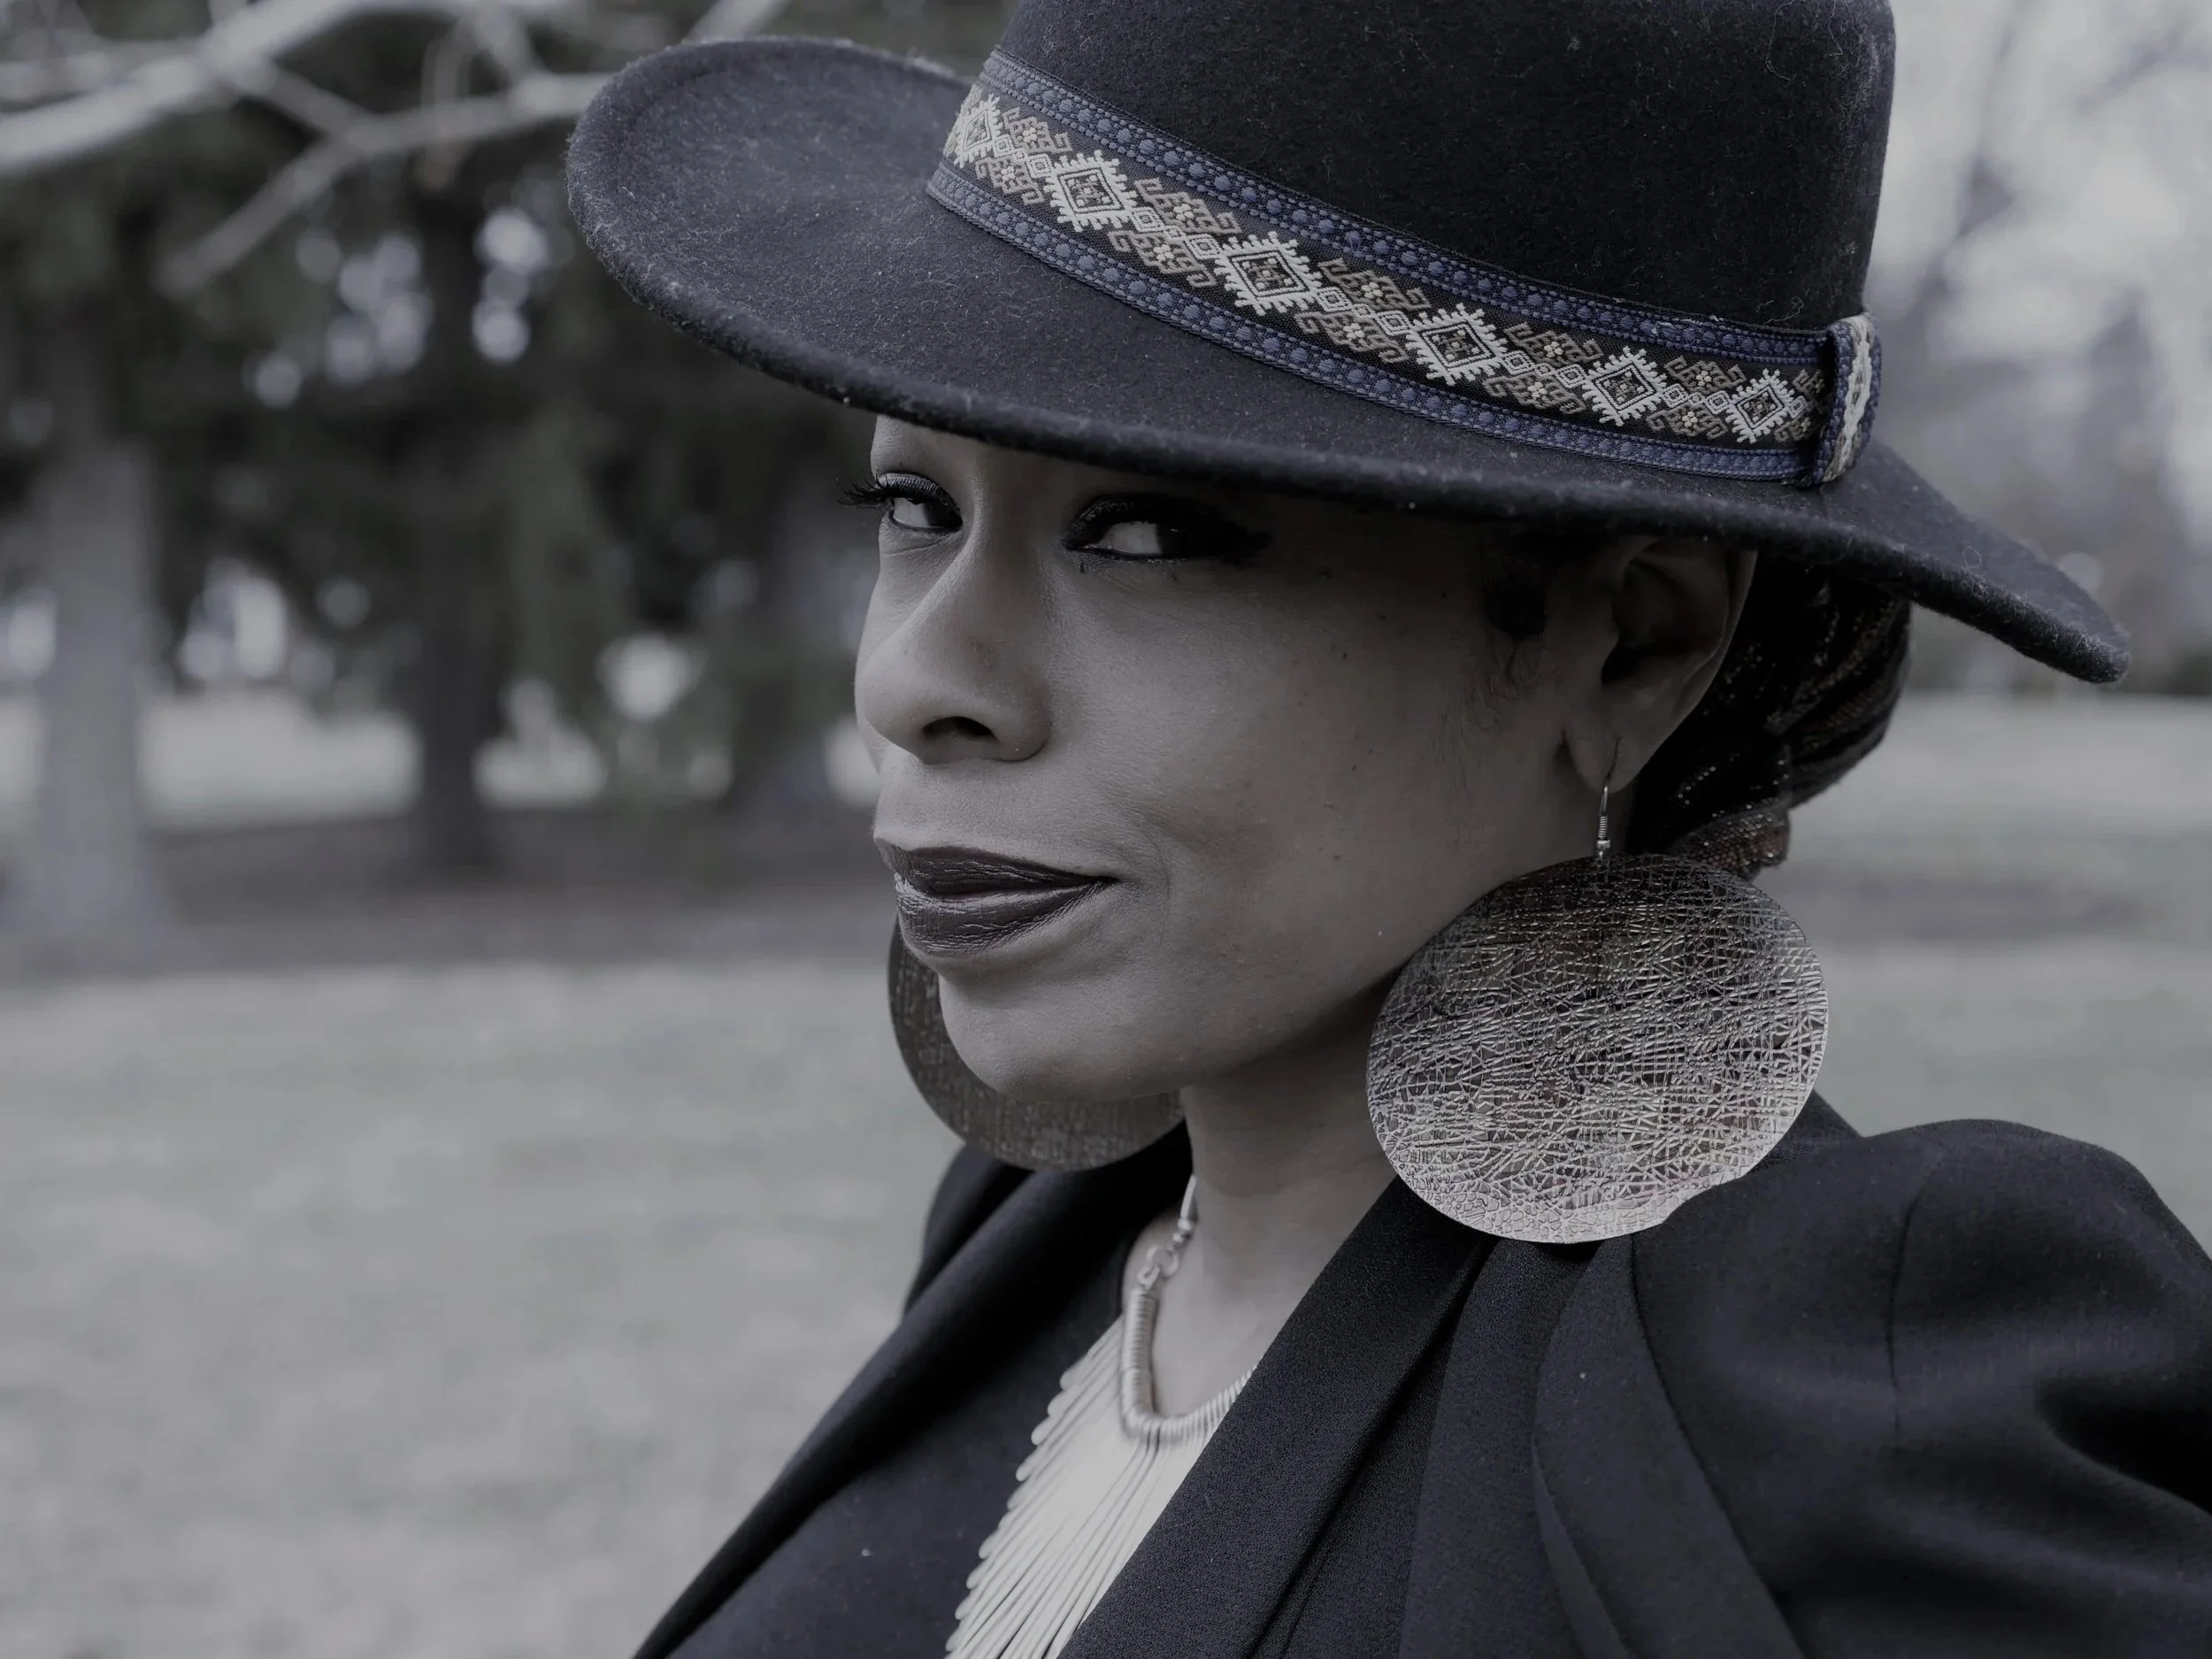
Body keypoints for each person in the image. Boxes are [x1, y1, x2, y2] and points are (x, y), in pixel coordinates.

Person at [568, 1, 2212, 1653]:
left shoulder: (1842, 1397)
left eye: (1147, 535)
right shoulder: (1041, 1234)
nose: (917, 679)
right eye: (915, 506)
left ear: (1632, 643)